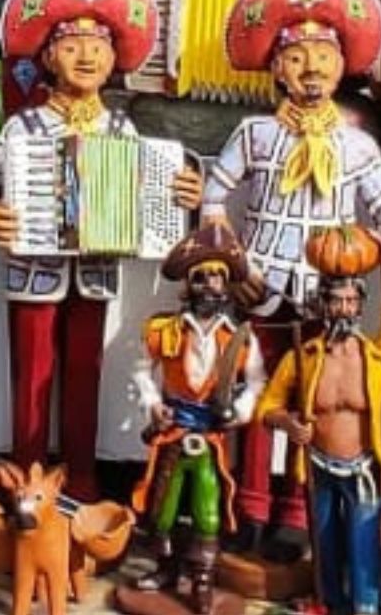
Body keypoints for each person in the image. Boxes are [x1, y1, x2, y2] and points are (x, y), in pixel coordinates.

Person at [0, 0, 200, 501]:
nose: (86, 57)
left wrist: (181, 193)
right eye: (71, 46)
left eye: (97, 46)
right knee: (30, 378)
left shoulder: (122, 131)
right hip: (33, 269)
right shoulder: (24, 127)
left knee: (84, 374)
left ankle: (80, 479)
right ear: (48, 58)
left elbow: (153, 189)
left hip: (95, 269)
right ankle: (27, 475)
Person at [196, 0, 381, 556]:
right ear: (277, 67)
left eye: (324, 57)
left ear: (342, 66)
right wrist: (230, 255)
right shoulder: (256, 136)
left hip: (327, 287)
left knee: (315, 396)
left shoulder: (356, 145)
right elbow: (215, 195)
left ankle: (296, 510)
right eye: (298, 57)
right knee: (256, 392)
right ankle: (249, 503)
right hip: (261, 281)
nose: (311, 69)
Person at [256, 234, 381, 615]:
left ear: (360, 305)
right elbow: (266, 407)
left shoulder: (378, 359)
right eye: (336, 301)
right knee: (324, 548)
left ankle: (365, 609)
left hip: (362, 471)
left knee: (362, 550)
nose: (344, 309)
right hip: (318, 469)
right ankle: (330, 605)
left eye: (351, 301)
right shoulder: (303, 357)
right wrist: (288, 423)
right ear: (323, 304)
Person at [130, 222, 267, 615]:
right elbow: (141, 369)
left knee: (208, 507)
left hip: (210, 435)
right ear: (189, 286)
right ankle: (165, 567)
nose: (211, 285)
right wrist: (153, 403)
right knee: (164, 504)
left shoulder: (240, 338)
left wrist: (238, 412)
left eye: (218, 277)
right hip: (173, 431)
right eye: (202, 277)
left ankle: (203, 579)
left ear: (228, 286)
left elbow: (256, 382)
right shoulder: (165, 330)